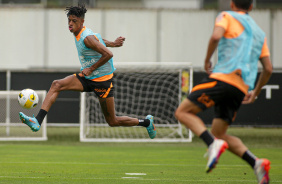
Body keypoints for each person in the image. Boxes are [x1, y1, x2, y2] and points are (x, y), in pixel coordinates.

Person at [19, 3, 156, 139]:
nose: (70, 24)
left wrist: (91, 68)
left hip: (102, 82)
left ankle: (147, 122)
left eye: (74, 21)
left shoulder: (86, 38)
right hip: (88, 79)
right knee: (57, 84)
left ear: (82, 22)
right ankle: (37, 121)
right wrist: (113, 43)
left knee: (112, 121)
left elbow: (108, 54)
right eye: (69, 20)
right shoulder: (81, 33)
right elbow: (99, 40)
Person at [174, 0, 272, 183]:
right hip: (241, 88)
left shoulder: (226, 16)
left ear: (232, 4)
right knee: (218, 132)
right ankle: (256, 162)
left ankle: (212, 144)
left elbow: (215, 37)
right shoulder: (260, 33)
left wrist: (206, 60)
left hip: (224, 78)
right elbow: (268, 69)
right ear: (251, 7)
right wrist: (255, 92)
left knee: (182, 112)